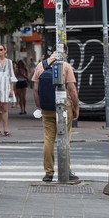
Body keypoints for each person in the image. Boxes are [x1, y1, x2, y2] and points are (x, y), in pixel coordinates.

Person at [31, 44, 79, 182]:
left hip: (46, 109)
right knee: (65, 139)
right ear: (66, 52)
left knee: (48, 140)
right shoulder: (65, 66)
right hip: (65, 108)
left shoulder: (41, 66)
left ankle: (48, 173)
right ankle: (66, 170)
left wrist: (40, 106)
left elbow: (35, 89)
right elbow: (72, 89)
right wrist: (76, 107)